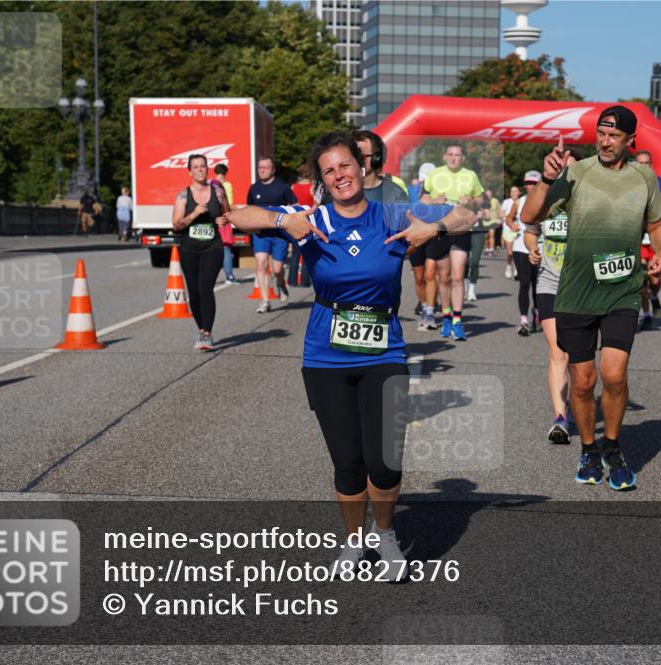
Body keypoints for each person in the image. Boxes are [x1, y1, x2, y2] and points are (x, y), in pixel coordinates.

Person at [223, 131, 476, 580]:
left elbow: (467, 215)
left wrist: (431, 228)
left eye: (346, 165)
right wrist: (285, 223)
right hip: (326, 356)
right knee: (348, 463)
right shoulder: (311, 216)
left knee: (384, 460)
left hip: (383, 351)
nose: (340, 175)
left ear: (362, 168)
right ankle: (355, 543)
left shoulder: (393, 212)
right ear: (322, 179)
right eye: (329, 170)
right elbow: (238, 216)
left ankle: (385, 534)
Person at [523, 107, 661, 491]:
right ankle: (588, 449)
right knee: (583, 382)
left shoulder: (645, 177)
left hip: (622, 289)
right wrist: (547, 179)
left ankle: (614, 448)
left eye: (614, 136)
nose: (605, 141)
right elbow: (529, 214)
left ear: (630, 141)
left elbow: (656, 225)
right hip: (576, 292)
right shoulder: (576, 172)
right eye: (601, 133)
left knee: (614, 375)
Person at [525, 154, 577, 443]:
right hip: (549, 281)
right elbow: (530, 231)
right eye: (560, 164)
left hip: (582, 286)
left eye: (570, 166)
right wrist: (533, 248)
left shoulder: (586, 199)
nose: (564, 170)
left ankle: (579, 403)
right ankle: (560, 417)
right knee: (558, 352)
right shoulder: (541, 197)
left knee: (580, 359)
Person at [421, 143, 484, 340]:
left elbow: (480, 199)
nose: (454, 158)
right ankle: (446, 316)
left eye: (458, 155)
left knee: (458, 276)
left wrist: (471, 201)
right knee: (444, 277)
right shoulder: (434, 175)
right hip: (440, 229)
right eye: (451, 154)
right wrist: (434, 201)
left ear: (463, 158)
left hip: (461, 229)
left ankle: (457, 320)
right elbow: (423, 199)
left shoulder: (470, 175)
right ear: (444, 156)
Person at [171, 154, 231, 351]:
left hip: (212, 247)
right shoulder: (182, 196)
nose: (200, 170)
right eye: (196, 167)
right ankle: (201, 328)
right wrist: (194, 213)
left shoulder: (218, 192)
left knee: (205, 288)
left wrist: (224, 220)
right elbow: (177, 226)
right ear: (190, 171)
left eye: (203, 166)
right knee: (194, 293)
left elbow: (228, 213)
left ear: (207, 169)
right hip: (189, 249)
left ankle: (207, 333)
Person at [247, 156, 298, 311]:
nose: (262, 170)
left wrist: (289, 220)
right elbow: (249, 209)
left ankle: (281, 283)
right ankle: (265, 301)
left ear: (273, 170)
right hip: (261, 233)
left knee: (277, 269)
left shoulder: (282, 187)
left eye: (265, 167)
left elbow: (295, 205)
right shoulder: (254, 188)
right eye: (260, 167)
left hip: (279, 234)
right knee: (261, 263)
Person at [634, 151, 661, 328]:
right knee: (641, 280)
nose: (643, 167)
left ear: (652, 165)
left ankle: (654, 296)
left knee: (655, 280)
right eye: (640, 163)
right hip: (637, 238)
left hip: (654, 237)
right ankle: (646, 314)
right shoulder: (628, 183)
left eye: (647, 163)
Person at [508, 172, 542, 335]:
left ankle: (537, 312)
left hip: (540, 247)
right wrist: (512, 225)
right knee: (524, 283)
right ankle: (523, 320)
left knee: (538, 285)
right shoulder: (519, 201)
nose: (530, 186)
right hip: (521, 246)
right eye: (527, 183)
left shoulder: (547, 200)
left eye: (534, 183)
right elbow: (508, 218)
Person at [409, 163, 435, 323]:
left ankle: (429, 309)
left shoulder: (438, 191)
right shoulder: (410, 191)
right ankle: (424, 303)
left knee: (431, 274)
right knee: (419, 277)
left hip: (433, 235)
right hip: (416, 236)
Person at [466, 188, 499, 301]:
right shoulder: (464, 200)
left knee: (475, 262)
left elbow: (488, 217)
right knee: (464, 262)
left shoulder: (484, 202)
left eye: (479, 195)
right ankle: (465, 288)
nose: (477, 197)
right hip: (463, 232)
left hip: (478, 232)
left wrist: (482, 214)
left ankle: (471, 290)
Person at [211, 163, 240, 284]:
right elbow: (228, 204)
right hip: (223, 218)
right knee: (226, 248)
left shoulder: (209, 183)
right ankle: (229, 276)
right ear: (225, 173)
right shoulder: (226, 185)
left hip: (212, 218)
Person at [501, 185, 521, 278]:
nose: (513, 193)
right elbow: (500, 213)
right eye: (512, 191)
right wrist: (508, 217)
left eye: (515, 191)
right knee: (510, 252)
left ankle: (517, 269)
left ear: (519, 193)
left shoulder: (522, 201)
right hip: (508, 228)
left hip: (519, 229)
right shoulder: (506, 202)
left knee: (517, 251)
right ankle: (509, 266)